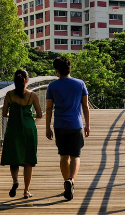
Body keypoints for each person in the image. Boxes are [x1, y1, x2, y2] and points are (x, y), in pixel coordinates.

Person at [46, 56, 90, 201]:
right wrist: (87, 125)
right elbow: (85, 106)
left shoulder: (52, 86)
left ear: (57, 71)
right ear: (70, 68)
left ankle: (66, 182)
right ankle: (71, 180)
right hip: (76, 125)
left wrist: (47, 127)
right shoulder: (80, 84)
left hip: (60, 125)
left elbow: (49, 107)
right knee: (76, 156)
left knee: (64, 156)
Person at [0, 69, 43, 199]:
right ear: (27, 80)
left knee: (14, 158)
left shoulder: (9, 95)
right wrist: (29, 117)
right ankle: (26, 191)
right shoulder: (32, 95)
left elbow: (4, 113)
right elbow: (40, 114)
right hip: (29, 128)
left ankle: (15, 181)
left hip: (14, 128)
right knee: (28, 160)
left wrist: (13, 114)